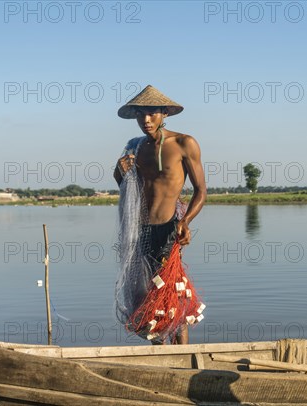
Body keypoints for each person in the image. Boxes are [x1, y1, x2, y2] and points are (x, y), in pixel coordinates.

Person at [113, 85, 206, 344]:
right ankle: (159, 355)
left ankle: (183, 358)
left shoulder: (184, 144)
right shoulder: (134, 147)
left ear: (164, 113)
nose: (146, 120)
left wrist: (185, 221)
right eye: (141, 114)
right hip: (139, 232)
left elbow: (201, 191)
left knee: (171, 294)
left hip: (168, 229)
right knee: (146, 296)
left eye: (152, 113)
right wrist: (121, 170)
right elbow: (121, 182)